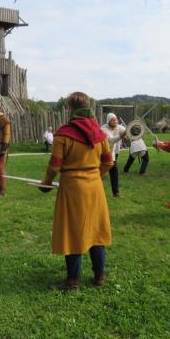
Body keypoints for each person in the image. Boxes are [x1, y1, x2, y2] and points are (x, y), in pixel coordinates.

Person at [40, 92, 114, 291]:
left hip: (72, 188)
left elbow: (54, 165)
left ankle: (73, 281)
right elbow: (109, 161)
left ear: (70, 109)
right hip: (95, 188)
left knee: (72, 232)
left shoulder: (64, 133)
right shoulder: (100, 134)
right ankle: (99, 276)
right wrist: (96, 176)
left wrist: (46, 183)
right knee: (96, 231)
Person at [100, 113, 126, 197]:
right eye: (113, 119)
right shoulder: (103, 129)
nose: (115, 121)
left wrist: (131, 132)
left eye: (116, 119)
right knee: (99, 174)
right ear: (108, 121)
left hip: (111, 153)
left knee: (114, 172)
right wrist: (122, 135)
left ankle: (116, 193)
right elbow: (111, 140)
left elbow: (129, 134)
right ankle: (96, 191)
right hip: (101, 154)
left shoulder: (120, 127)